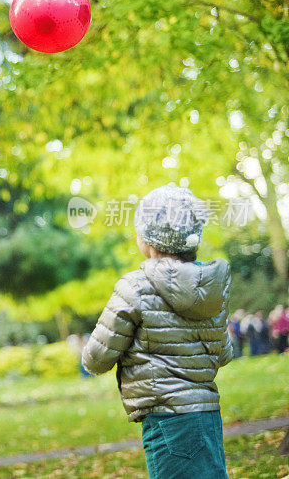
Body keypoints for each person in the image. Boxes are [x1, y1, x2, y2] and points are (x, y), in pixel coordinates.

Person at [81, 184, 232, 479]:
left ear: (147, 240)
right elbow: (224, 352)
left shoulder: (135, 288)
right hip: (207, 414)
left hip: (166, 417)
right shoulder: (212, 287)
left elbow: (95, 359)